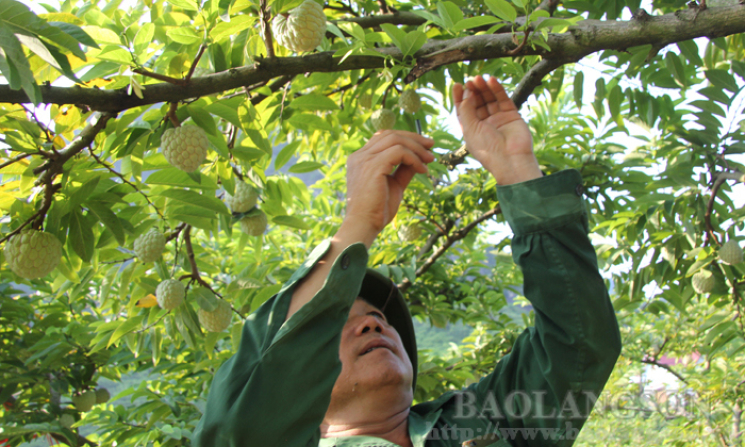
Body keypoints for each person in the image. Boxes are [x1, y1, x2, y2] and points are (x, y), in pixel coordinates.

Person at [193, 75, 622, 447]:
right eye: (338, 325)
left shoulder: (490, 424)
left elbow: (580, 344)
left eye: (379, 316)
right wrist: (358, 223)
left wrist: (518, 173)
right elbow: (237, 430)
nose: (375, 323)